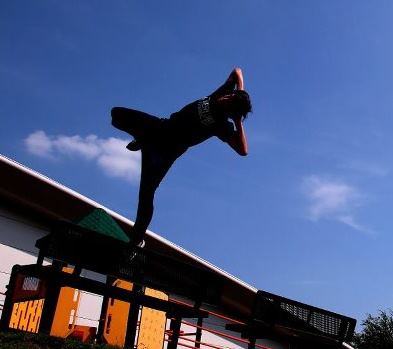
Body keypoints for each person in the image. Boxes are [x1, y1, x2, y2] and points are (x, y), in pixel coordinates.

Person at [111, 67, 252, 246]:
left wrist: (238, 122)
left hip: (166, 152)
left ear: (232, 112)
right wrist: (240, 91)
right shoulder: (222, 93)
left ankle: (137, 241)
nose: (226, 98)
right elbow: (237, 71)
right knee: (116, 115)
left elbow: (243, 150)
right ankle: (143, 139)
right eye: (229, 96)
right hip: (160, 127)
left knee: (146, 194)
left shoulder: (222, 126)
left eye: (230, 101)